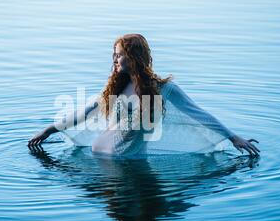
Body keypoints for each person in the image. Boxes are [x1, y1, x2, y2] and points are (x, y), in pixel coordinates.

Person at [28, 34, 260, 157]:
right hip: (99, 156)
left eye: (119, 55)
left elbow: (198, 113)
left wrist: (232, 137)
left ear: (135, 57)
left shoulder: (164, 89)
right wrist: (49, 130)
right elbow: (85, 112)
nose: (114, 60)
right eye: (114, 55)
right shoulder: (114, 87)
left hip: (131, 162)